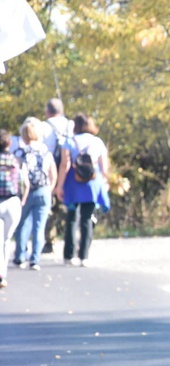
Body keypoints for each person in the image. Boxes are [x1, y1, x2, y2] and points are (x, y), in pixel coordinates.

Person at [54, 113, 109, 267]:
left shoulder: (69, 141)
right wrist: (105, 183)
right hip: (92, 183)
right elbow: (104, 166)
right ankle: (84, 256)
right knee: (86, 219)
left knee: (71, 218)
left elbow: (64, 164)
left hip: (73, 182)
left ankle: (68, 255)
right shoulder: (97, 142)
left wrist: (59, 186)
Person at [12, 118, 57, 270]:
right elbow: (53, 174)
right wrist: (50, 189)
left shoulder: (20, 153)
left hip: (25, 191)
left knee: (22, 224)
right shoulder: (46, 152)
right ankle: (35, 259)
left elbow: (16, 174)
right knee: (39, 226)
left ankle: (20, 256)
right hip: (43, 190)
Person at [38, 98, 73, 254]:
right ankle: (72, 234)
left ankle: (49, 240)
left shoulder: (43, 126)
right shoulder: (70, 124)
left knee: (49, 209)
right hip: (69, 172)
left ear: (47, 111)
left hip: (49, 172)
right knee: (67, 206)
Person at [0, 129, 29, 287]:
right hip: (12, 202)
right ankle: (2, 273)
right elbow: (24, 184)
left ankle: (0, 273)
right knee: (5, 240)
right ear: (9, 143)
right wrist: (22, 200)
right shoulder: (17, 160)